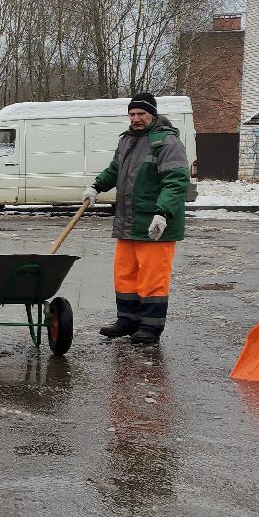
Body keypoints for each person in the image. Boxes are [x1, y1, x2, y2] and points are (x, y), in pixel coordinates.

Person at [83, 93, 190, 344]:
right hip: (127, 221)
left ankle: (151, 327)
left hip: (155, 223)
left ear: (152, 114)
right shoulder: (127, 140)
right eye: (132, 114)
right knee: (125, 273)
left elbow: (176, 182)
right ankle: (127, 320)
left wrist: (163, 213)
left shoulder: (167, 141)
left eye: (141, 114)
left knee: (153, 277)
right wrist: (97, 187)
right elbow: (114, 169)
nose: (136, 119)